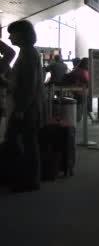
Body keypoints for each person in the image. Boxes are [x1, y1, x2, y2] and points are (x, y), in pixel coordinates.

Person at [2, 20, 45, 192]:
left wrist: (20, 109)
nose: (9, 36)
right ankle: (26, 179)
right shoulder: (26, 53)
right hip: (27, 107)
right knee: (26, 143)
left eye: (12, 33)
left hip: (26, 108)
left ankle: (27, 180)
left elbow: (29, 85)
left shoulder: (28, 55)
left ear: (21, 34)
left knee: (23, 143)